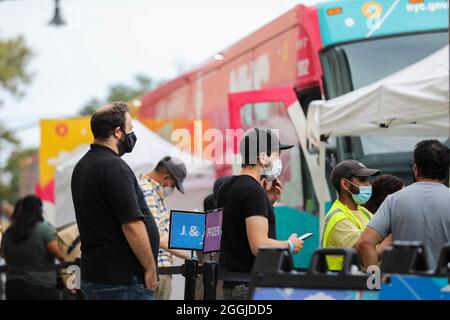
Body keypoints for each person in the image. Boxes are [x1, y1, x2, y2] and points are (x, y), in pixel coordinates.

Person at [71, 102, 159, 300]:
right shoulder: (114, 167)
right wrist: (150, 267)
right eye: (130, 129)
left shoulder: (82, 166)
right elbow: (132, 225)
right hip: (123, 282)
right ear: (118, 132)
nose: (132, 135)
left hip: (97, 276)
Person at [217, 128, 304, 300]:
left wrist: (267, 202)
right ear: (263, 157)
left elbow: (237, 226)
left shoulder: (226, 187)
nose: (279, 160)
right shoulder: (252, 191)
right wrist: (289, 245)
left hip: (231, 284)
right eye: (277, 155)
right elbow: (259, 245)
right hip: (250, 286)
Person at [358, 140, 450, 271]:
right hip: (444, 287)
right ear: (446, 171)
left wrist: (374, 283)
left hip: (403, 286)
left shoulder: (394, 200)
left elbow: (365, 243)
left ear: (415, 169)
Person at [138, 156, 190, 300]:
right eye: (173, 185)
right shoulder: (148, 192)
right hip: (158, 269)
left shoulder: (148, 191)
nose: (172, 189)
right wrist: (191, 257)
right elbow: (158, 238)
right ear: (166, 177)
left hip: (156, 269)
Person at [1, 195, 65, 300]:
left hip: (13, 287)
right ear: (39, 210)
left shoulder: (8, 233)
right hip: (42, 287)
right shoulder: (44, 230)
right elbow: (61, 256)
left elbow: (4, 255)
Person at [322, 160, 380, 271]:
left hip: (363, 280)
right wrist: (390, 238)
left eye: (368, 180)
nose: (368, 185)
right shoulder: (338, 218)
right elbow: (366, 253)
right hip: (343, 284)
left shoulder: (364, 212)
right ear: (345, 184)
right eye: (363, 180)